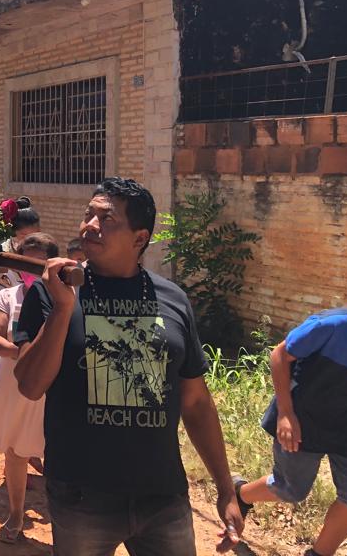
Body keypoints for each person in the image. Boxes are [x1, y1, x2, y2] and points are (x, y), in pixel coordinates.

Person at [14, 177, 243, 555]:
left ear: (139, 239)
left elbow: (196, 401)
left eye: (107, 219)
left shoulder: (173, 299)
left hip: (162, 494)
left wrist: (224, 488)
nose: (90, 225)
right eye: (89, 214)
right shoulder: (52, 291)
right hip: (81, 495)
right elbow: (29, 384)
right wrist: (63, 308)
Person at [233, 274, 347, 556]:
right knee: (291, 490)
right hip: (302, 421)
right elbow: (279, 355)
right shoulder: (332, 326)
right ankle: (240, 494)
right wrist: (286, 414)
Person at [0, 233, 58, 542]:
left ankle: (64, 522)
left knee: (58, 452)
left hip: (54, 387)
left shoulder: (66, 295)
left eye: (37, 261)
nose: (30, 268)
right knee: (16, 451)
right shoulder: (8, 297)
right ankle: (17, 514)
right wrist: (27, 354)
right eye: (24, 260)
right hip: (16, 383)